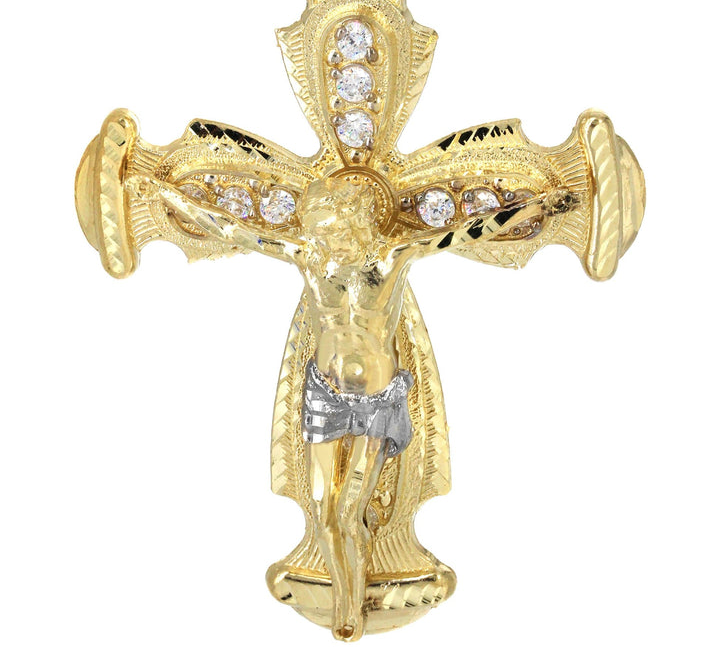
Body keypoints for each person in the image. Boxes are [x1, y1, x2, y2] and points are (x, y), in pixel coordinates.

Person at [156, 174, 576, 640]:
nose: (326, 235)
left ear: (355, 220)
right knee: (324, 509)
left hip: (377, 404)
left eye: (333, 226)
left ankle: (349, 607)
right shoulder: (311, 261)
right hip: (324, 398)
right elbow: (233, 229)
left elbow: (466, 230)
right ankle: (348, 593)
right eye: (321, 228)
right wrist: (165, 195)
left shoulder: (392, 259)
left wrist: (539, 206)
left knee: (346, 511)